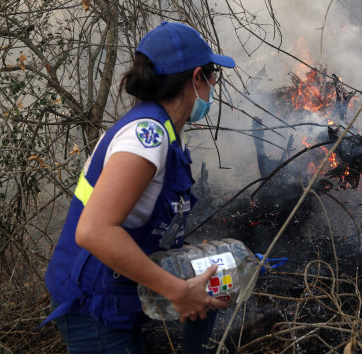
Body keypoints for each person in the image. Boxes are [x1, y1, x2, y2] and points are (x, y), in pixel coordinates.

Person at [42, 21, 236, 353]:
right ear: (196, 78)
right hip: (95, 308)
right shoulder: (146, 138)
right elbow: (94, 231)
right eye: (212, 74)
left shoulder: (166, 133)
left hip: (117, 299)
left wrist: (186, 258)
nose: (214, 85)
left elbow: (138, 224)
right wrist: (177, 290)